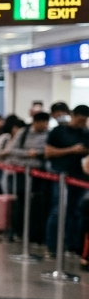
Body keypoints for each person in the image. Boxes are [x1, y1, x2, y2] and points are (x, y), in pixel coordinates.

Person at [44, 104, 89, 262]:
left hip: (80, 179)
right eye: (80, 120)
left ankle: (71, 245)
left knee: (75, 212)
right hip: (60, 176)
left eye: (85, 121)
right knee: (58, 210)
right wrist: (71, 150)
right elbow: (48, 152)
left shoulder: (86, 134)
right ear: (73, 116)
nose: (82, 124)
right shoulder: (58, 131)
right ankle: (52, 246)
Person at [8, 112, 53, 246]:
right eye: (42, 123)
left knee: (38, 204)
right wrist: (28, 154)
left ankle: (35, 234)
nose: (45, 125)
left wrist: (37, 153)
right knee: (21, 201)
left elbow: (47, 151)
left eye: (46, 123)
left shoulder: (49, 134)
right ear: (34, 122)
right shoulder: (24, 132)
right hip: (22, 173)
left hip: (40, 174)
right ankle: (18, 231)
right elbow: (13, 150)